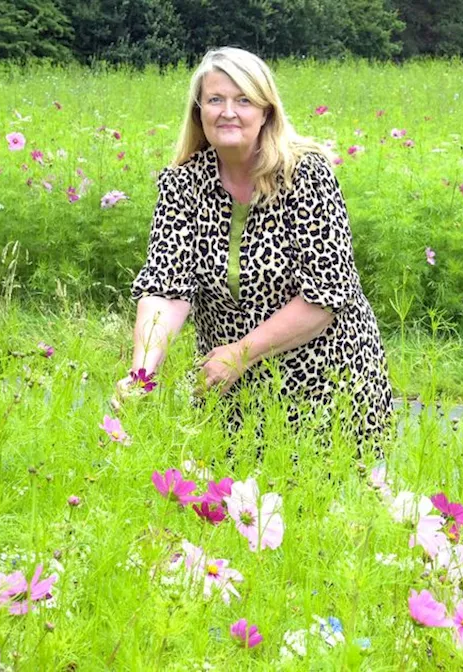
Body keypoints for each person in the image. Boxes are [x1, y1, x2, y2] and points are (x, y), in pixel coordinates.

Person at [117, 47, 393, 451]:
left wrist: (239, 354)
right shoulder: (182, 183)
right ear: (199, 113)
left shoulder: (307, 174)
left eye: (243, 99)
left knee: (324, 509)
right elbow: (165, 288)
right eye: (215, 100)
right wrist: (142, 372)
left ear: (266, 111)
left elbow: (325, 297)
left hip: (324, 383)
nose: (228, 111)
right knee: (229, 506)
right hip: (231, 391)